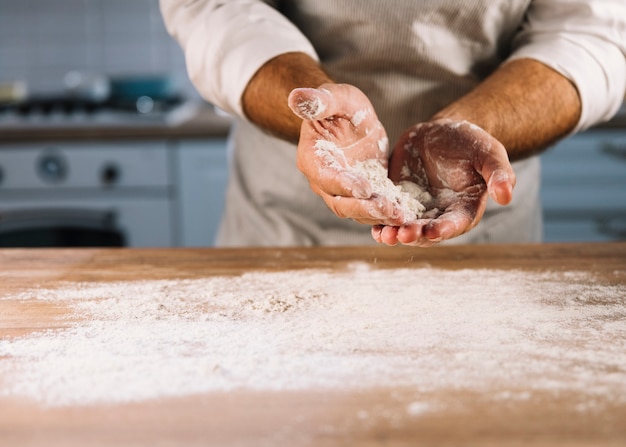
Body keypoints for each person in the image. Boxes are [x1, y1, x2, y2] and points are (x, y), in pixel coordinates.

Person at [160, 0, 626, 247]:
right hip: (287, 227)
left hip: (479, 228)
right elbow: (217, 8)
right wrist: (319, 112)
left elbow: (591, 32)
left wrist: (474, 124)